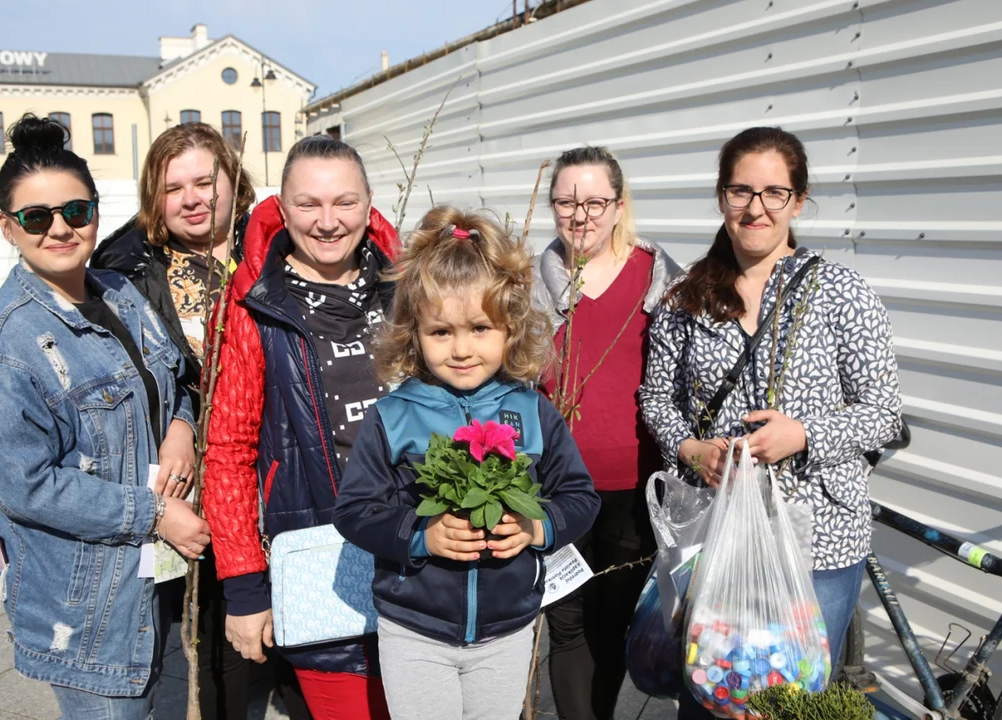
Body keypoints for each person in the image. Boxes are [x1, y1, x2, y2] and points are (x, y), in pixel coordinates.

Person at [0, 114, 210, 719]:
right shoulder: (0, 346)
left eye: (76, 211)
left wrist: (181, 429)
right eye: (37, 217)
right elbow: (25, 486)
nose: (59, 228)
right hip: (88, 605)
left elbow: (172, 384)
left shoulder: (121, 291)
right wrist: (156, 512)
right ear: (7, 227)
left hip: (155, 581)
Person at [639, 126, 903, 719]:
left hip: (820, 541)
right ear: (721, 197)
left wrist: (803, 435)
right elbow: (656, 397)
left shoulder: (841, 292)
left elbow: (884, 412)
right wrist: (689, 449)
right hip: (717, 534)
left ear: (798, 201)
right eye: (740, 191)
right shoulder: (686, 300)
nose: (755, 208)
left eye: (773, 193)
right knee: (710, 692)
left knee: (790, 701)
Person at [333, 206, 601, 720]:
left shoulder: (532, 410)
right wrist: (421, 533)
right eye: (441, 332)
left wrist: (537, 525)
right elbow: (355, 510)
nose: (461, 349)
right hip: (415, 628)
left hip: (507, 629)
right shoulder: (393, 416)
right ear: (413, 332)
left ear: (510, 328)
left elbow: (580, 497)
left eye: (480, 328)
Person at [91, 122, 310, 720]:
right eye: (173, 187)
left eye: (204, 181)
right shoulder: (124, 271)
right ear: (154, 199)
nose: (191, 198)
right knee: (215, 638)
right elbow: (130, 379)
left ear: (232, 182)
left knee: (304, 626)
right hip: (196, 480)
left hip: (285, 463)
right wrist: (182, 422)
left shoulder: (277, 246)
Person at [203, 135, 400, 719]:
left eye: (344, 202)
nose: (328, 221)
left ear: (369, 205)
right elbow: (229, 450)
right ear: (281, 209)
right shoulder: (251, 305)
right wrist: (244, 588)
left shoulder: (409, 290)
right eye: (308, 204)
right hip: (317, 553)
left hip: (416, 552)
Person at [532, 146, 678, 720]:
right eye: (566, 201)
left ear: (619, 206)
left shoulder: (662, 282)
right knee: (566, 627)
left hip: (631, 489)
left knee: (612, 625)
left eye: (595, 201)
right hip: (553, 487)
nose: (581, 214)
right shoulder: (530, 287)